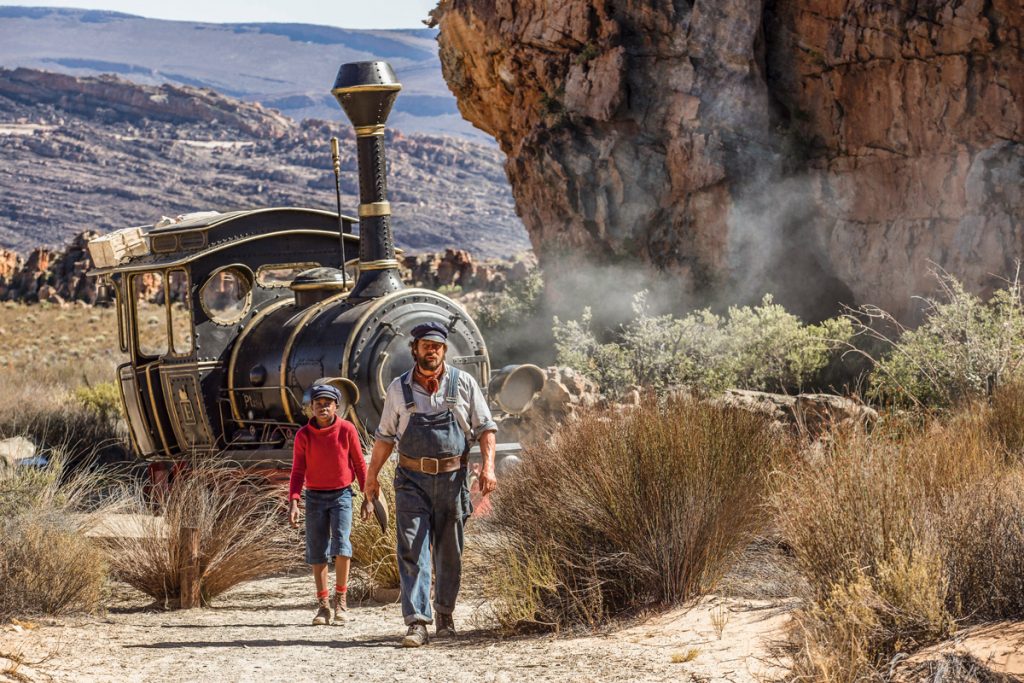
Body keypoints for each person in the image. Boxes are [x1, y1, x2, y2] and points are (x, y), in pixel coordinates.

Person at [363, 321, 497, 647]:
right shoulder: (398, 389)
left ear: (444, 350)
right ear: (415, 349)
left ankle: (445, 615)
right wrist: (371, 477)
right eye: (426, 345)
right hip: (411, 480)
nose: (432, 350)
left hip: (454, 480)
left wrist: (489, 468)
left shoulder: (464, 383)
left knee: (450, 553)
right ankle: (417, 623)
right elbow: (384, 438)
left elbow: (485, 429)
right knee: (412, 549)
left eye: (437, 346)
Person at [289, 383, 366, 626]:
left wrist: (369, 497)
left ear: (336, 406)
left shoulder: (347, 430)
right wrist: (293, 501)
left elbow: (359, 463)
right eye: (318, 403)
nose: (323, 407)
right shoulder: (304, 435)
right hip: (314, 497)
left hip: (342, 495)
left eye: (327, 403)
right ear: (311, 407)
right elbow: (298, 470)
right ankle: (323, 606)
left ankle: (340, 601)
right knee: (317, 550)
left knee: (342, 545)